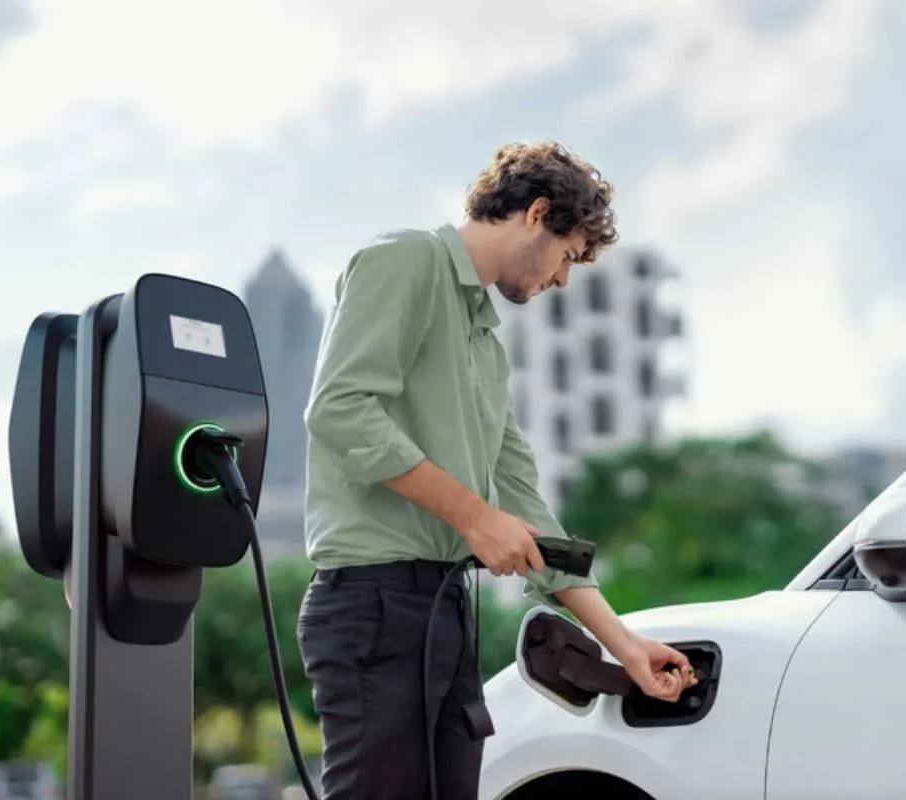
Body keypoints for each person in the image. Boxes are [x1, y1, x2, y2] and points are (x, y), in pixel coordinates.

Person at [297, 140, 698, 800]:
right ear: (537, 213)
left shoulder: (483, 340)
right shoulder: (406, 260)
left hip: (444, 612)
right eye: (568, 256)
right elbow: (340, 411)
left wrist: (622, 643)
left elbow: (524, 506)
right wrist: (472, 517)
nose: (563, 280)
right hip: (373, 604)